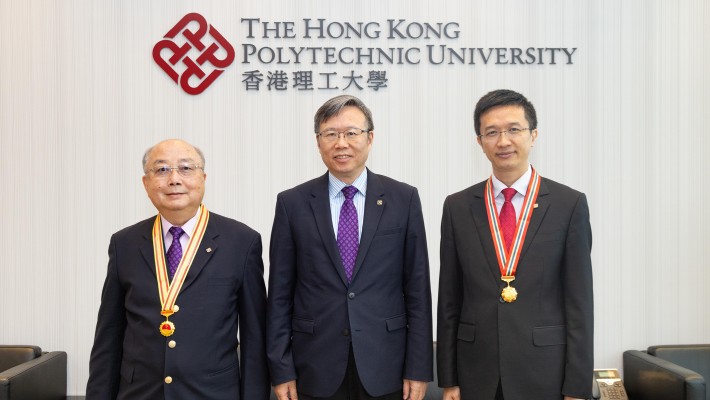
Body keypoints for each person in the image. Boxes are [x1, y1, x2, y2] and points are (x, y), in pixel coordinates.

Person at [267, 95, 433, 400]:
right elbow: (279, 294)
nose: (340, 143)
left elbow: (418, 289)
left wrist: (419, 367)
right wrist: (281, 369)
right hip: (314, 365)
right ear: (318, 142)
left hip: (387, 363)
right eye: (330, 134)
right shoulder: (292, 204)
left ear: (370, 138)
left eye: (351, 133)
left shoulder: (403, 199)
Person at [437, 89, 593, 400]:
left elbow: (579, 304)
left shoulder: (568, 204)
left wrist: (576, 386)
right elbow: (449, 300)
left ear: (533, 135)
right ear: (480, 142)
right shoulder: (457, 207)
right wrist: (449, 380)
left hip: (545, 372)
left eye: (513, 129)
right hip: (476, 374)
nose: (503, 141)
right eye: (491, 132)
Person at [86, 139, 270, 400]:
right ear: (146, 183)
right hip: (139, 393)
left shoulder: (241, 241)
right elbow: (109, 335)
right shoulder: (124, 243)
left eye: (185, 168)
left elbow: (255, 338)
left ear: (203, 178)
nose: (174, 179)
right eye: (161, 170)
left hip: (212, 394)